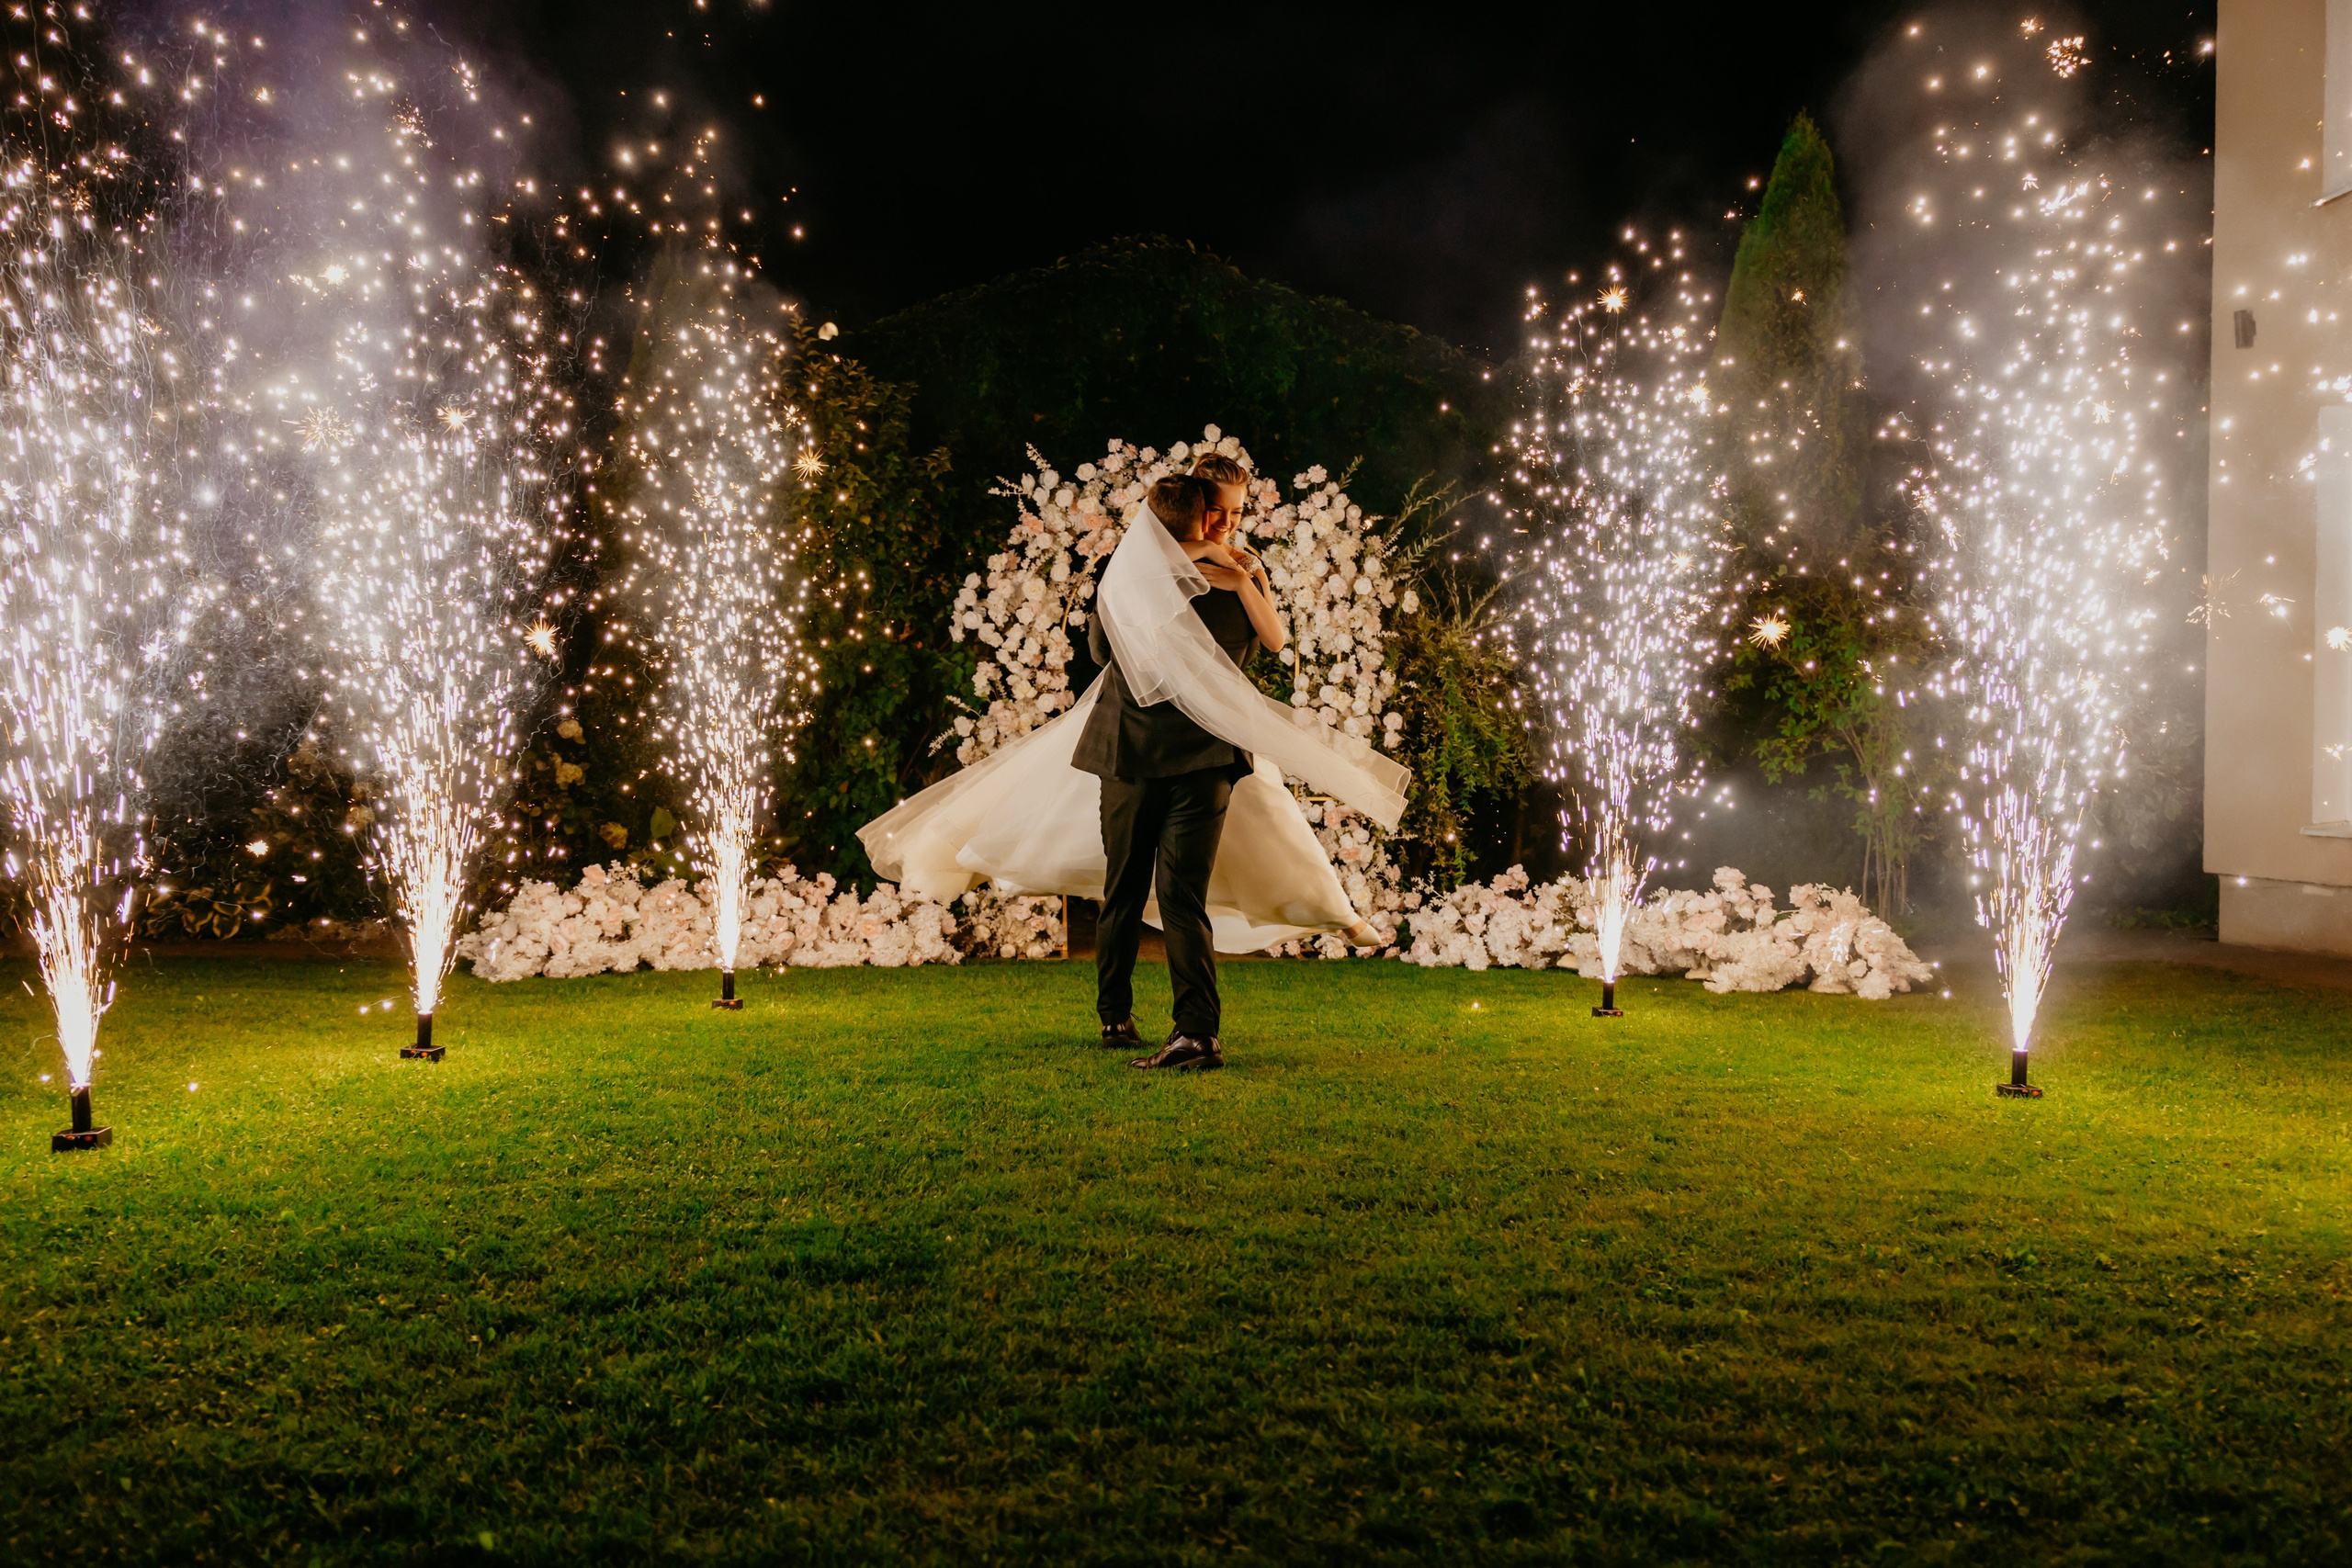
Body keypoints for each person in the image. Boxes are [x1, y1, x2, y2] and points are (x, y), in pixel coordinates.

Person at [856, 459, 1410, 1071]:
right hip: (1142, 749)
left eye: (1235, 511)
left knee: (1170, 893)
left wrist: (1228, 574)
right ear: (1194, 508)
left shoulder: (1185, 572)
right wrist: (1220, 575)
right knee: (1139, 887)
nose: (1225, 522)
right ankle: (1120, 1015)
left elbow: (1105, 650)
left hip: (1194, 754)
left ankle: (1190, 1031)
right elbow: (1250, 645)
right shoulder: (1170, 572)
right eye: (1214, 511)